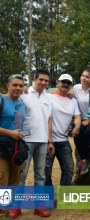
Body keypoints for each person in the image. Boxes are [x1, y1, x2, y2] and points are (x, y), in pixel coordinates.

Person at [18, 70, 53, 217]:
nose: (43, 83)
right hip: (26, 141)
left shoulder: (49, 97)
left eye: (46, 81)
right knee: (22, 174)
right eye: (41, 80)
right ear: (34, 79)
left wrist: (50, 140)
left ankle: (39, 206)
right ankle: (16, 207)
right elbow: (18, 115)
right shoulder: (24, 94)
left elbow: (49, 119)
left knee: (41, 175)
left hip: (43, 141)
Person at [45, 74, 81, 186]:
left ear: (71, 85)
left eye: (68, 83)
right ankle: (47, 200)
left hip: (63, 140)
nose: (65, 84)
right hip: (47, 140)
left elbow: (77, 117)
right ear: (57, 83)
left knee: (69, 169)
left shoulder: (73, 101)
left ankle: (63, 198)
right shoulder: (48, 97)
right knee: (46, 171)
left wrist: (77, 126)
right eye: (63, 82)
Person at [0, 75, 26, 219]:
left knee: (14, 181)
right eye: (14, 85)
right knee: (2, 181)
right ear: (7, 86)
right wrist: (9, 133)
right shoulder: (1, 100)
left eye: (21, 86)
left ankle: (6, 211)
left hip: (16, 149)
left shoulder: (22, 103)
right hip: (1, 148)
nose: (17, 88)